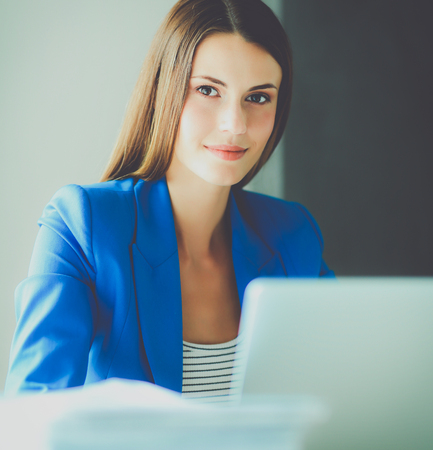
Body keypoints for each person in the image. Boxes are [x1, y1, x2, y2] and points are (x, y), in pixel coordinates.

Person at [5, 0, 334, 400]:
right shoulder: (82, 223)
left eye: (259, 97)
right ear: (163, 91)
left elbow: (339, 393)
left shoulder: (294, 236)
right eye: (208, 90)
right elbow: (34, 414)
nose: (235, 124)